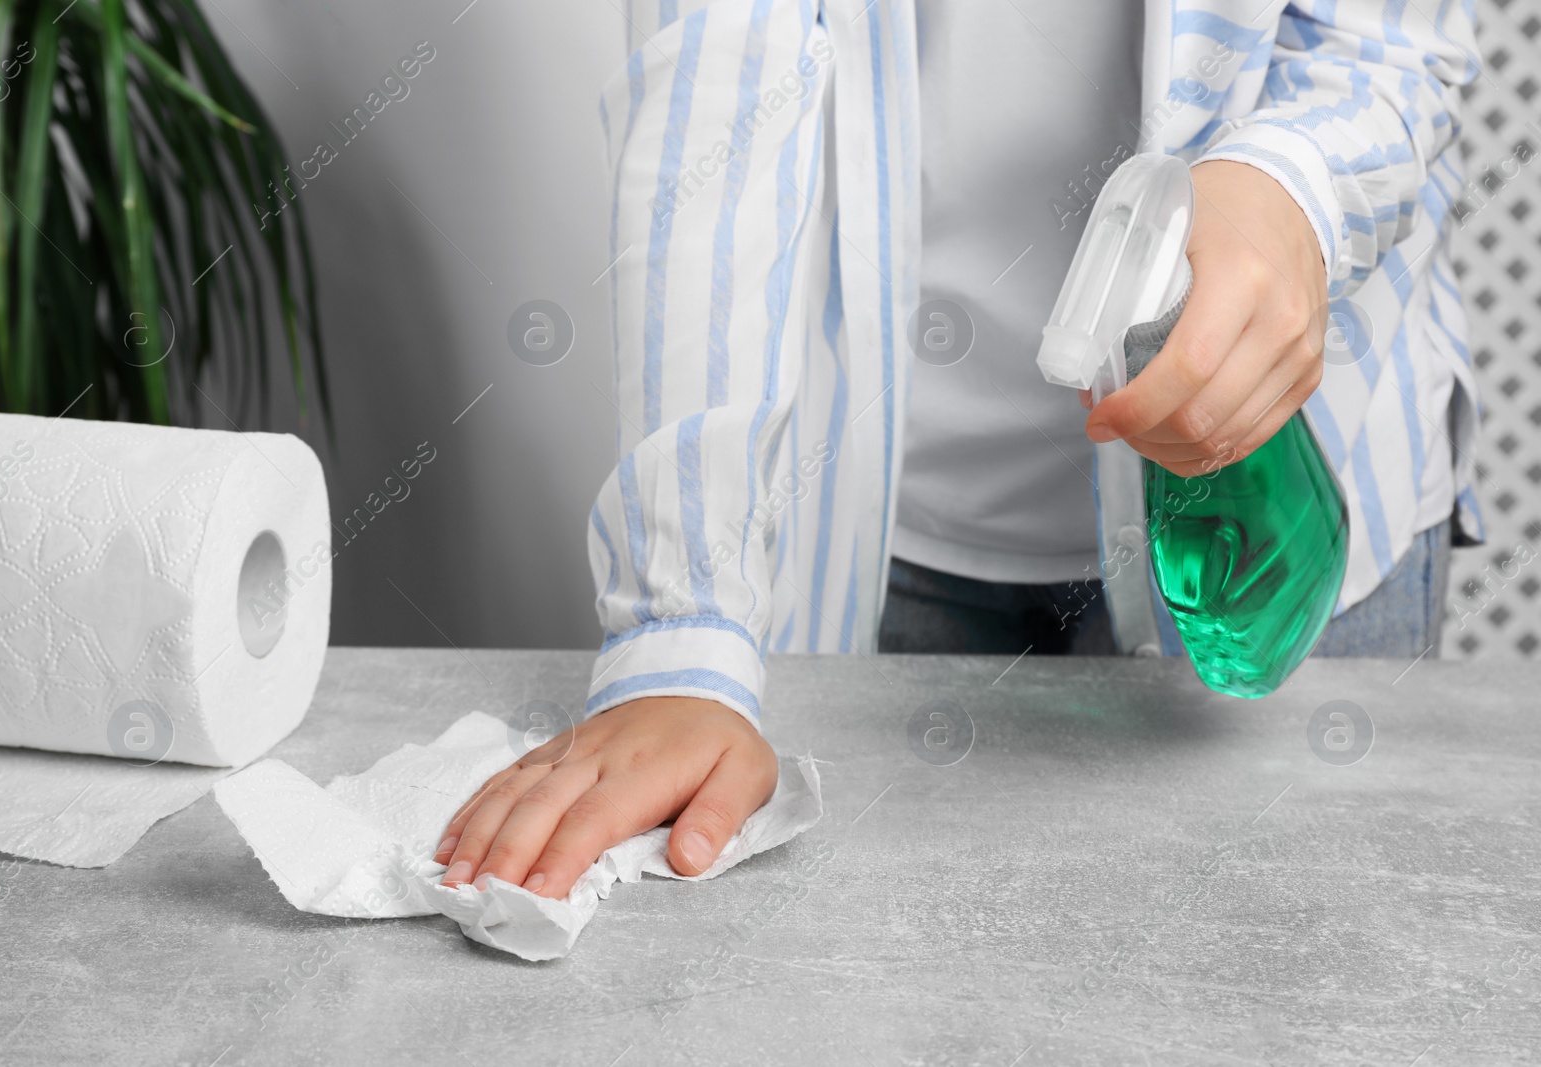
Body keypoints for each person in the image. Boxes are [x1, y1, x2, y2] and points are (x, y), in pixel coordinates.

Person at [433, 0, 1483, 900]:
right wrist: (680, 626)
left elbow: (1389, 42)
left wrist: (1292, 187)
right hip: (873, 529)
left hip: (1288, 501)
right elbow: (718, 84)